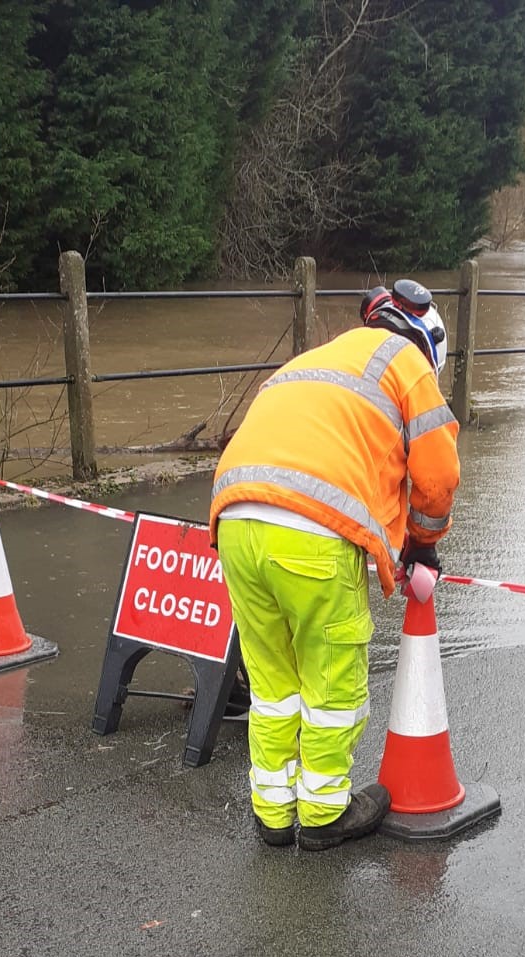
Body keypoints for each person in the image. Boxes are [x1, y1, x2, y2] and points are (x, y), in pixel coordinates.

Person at [209, 279, 460, 852]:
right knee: (332, 682)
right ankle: (324, 812)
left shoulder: (317, 358)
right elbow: (437, 476)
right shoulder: (407, 363)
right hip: (311, 534)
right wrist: (421, 544)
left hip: (235, 522)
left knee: (273, 683)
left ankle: (273, 813)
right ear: (428, 340)